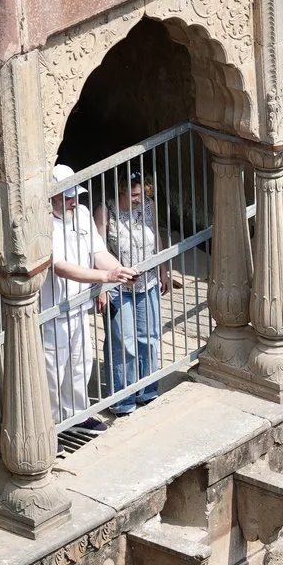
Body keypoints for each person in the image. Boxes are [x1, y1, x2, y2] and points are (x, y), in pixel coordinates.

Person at [39, 163, 134, 444]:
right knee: (53, 371)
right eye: (65, 196)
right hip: (53, 310)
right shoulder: (44, 223)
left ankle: (77, 416)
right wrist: (105, 276)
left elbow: (98, 252)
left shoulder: (80, 214)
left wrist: (121, 272)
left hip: (79, 306)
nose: (71, 201)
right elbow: (60, 266)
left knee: (81, 364)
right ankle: (52, 426)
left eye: (73, 195)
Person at [100, 175, 165, 415]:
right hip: (118, 285)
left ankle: (147, 388)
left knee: (149, 336)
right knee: (122, 341)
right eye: (135, 195)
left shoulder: (149, 205)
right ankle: (122, 397)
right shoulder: (105, 211)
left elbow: (155, 235)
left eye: (142, 194)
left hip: (147, 280)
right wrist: (103, 287)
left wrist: (164, 269)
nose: (140, 199)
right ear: (121, 191)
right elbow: (98, 249)